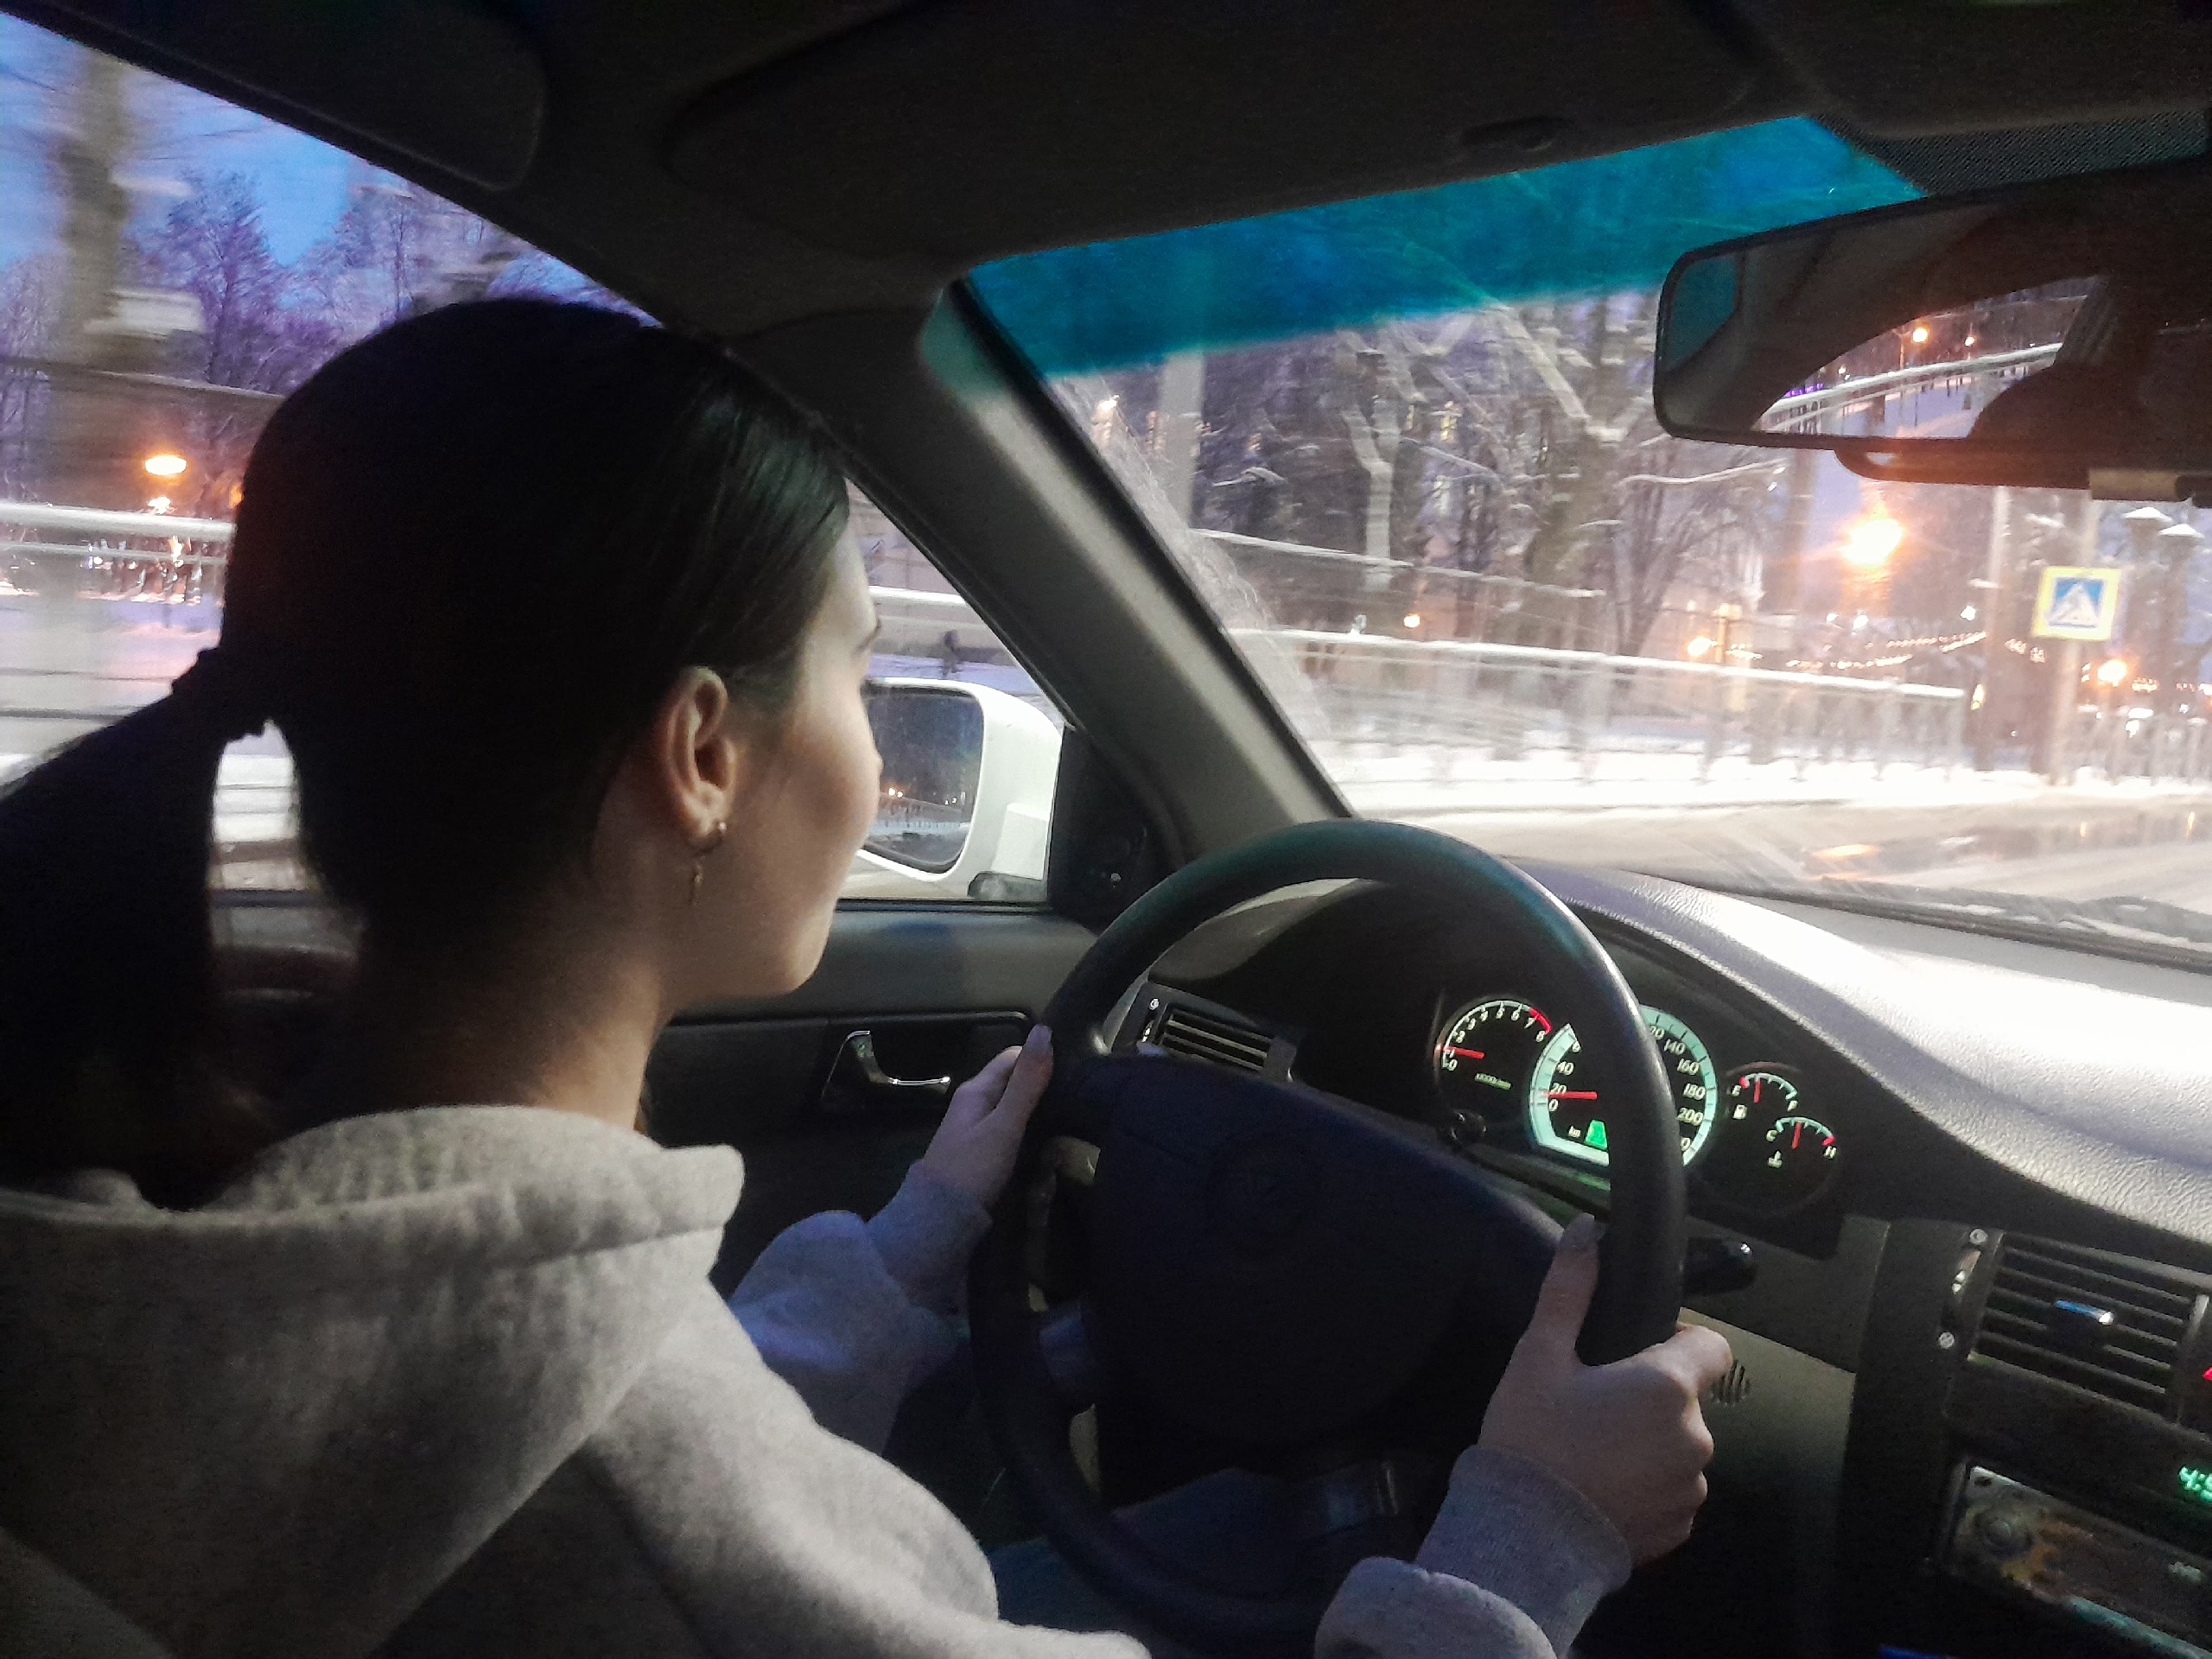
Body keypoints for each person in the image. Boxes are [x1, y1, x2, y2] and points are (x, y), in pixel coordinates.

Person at [0, 299, 1730, 1658]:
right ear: (700, 754)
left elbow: (610, 1412)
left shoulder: (198, 1244)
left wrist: (912, 1245)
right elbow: (667, 1490)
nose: (878, 754)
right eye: (860, 670)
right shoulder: (668, 1533)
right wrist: (1530, 1531)